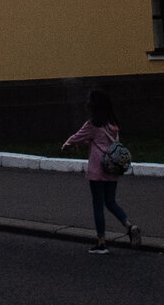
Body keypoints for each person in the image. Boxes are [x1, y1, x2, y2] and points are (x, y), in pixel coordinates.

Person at [62, 89, 141, 253]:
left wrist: (66, 145)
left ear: (94, 105)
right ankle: (129, 226)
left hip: (98, 169)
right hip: (112, 167)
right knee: (111, 201)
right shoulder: (113, 124)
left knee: (98, 204)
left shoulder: (92, 124)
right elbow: (101, 141)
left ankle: (101, 242)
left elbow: (77, 136)